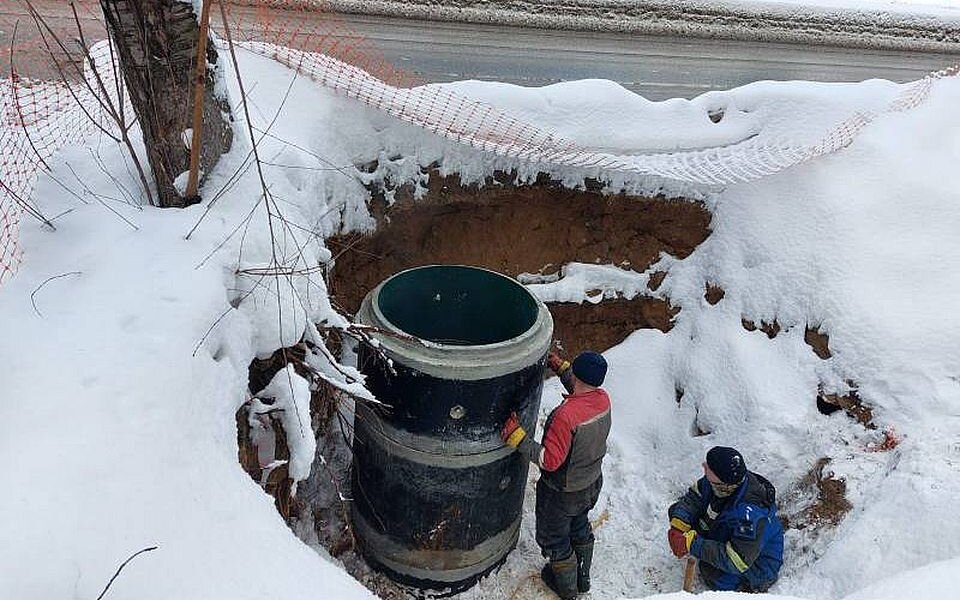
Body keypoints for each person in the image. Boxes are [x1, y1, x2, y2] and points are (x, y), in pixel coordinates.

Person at [501, 350, 612, 600]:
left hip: (562, 493)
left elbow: (550, 461)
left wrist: (517, 438)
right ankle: (582, 579)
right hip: (591, 483)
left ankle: (568, 590)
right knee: (579, 525)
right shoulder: (603, 400)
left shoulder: (565, 417)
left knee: (554, 539)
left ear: (579, 377)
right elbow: (581, 389)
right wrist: (562, 368)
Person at [667, 446, 784, 593]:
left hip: (754, 565)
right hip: (724, 527)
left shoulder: (748, 517)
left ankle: (743, 588)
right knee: (676, 511)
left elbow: (737, 561)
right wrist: (679, 527)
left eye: (708, 466)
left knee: (711, 573)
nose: (704, 465)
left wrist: (692, 544)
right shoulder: (717, 482)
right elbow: (694, 498)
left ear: (723, 483)